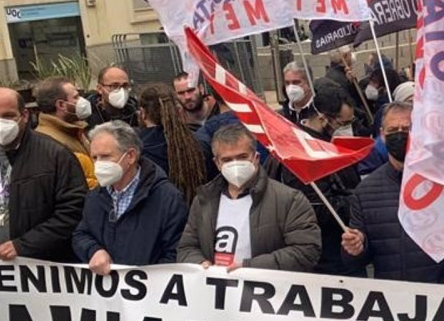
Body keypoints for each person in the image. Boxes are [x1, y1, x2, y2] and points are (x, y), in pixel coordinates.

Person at [344, 102, 444, 285]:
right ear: (382, 134)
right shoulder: (365, 191)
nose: (399, 134)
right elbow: (357, 259)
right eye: (393, 129)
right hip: (395, 299)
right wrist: (356, 248)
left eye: (406, 128)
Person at [177, 124, 321, 271]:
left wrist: (247, 268)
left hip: (265, 290)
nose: (235, 164)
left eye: (242, 157)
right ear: (217, 163)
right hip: (216, 289)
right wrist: (201, 265)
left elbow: (306, 251)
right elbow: (187, 247)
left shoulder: (289, 200)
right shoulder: (204, 200)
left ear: (256, 157)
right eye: (227, 160)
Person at [264, 82, 363, 277]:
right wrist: (359, 202)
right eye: (343, 124)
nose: (347, 129)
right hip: (325, 255)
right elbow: (314, 208)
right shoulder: (303, 154)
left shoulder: (321, 144)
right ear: (323, 119)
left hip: (339, 246)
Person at [72, 121, 188, 272]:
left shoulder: (167, 198)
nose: (98, 164)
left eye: (106, 156)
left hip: (146, 290)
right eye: (94, 157)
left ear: (131, 156)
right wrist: (93, 250)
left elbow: (176, 251)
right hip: (106, 290)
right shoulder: (95, 196)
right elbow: (81, 234)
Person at [0, 87, 87, 262]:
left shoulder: (55, 155)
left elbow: (73, 211)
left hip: (40, 267)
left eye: (8, 116)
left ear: (25, 115)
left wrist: (23, 245)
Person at [136, 83, 207, 203]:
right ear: (177, 110)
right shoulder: (198, 143)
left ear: (142, 113)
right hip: (195, 213)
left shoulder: (134, 151)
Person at [33, 76, 97, 189]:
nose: (82, 101)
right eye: (76, 97)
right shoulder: (47, 141)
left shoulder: (74, 130)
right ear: (61, 105)